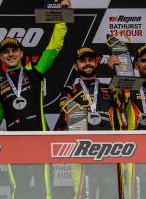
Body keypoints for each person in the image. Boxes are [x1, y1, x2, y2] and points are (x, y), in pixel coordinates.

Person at [0, 0, 70, 199]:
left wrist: (61, 18)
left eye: (14, 50)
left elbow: (54, 47)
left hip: (39, 137)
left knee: (44, 188)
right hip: (14, 142)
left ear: (21, 53)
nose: (11, 55)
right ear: (0, 57)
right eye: (6, 52)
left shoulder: (34, 72)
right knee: (19, 189)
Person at [57, 47, 123, 199]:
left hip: (110, 153)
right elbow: (66, 120)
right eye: (82, 61)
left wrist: (117, 71)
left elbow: (123, 102)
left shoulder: (110, 89)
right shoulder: (70, 91)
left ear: (96, 63)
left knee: (112, 196)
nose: (87, 64)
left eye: (90, 60)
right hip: (84, 153)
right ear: (75, 66)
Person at [108, 45, 146, 199]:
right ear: (135, 65)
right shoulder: (131, 85)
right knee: (135, 194)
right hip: (136, 149)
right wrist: (117, 72)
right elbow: (119, 103)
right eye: (143, 60)